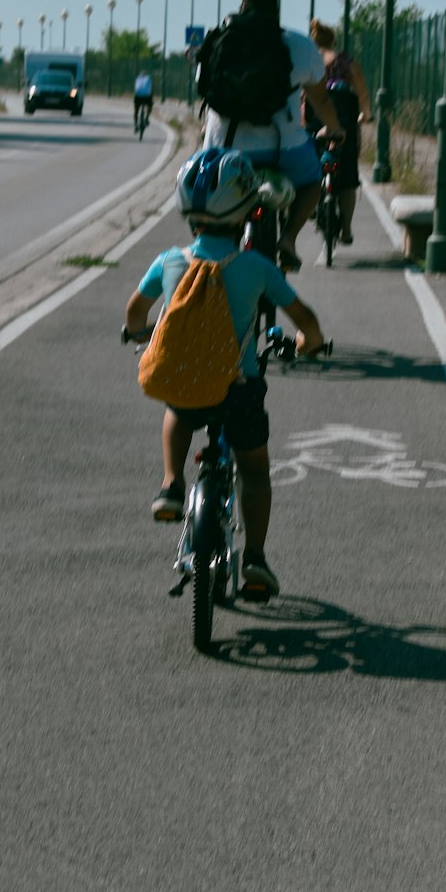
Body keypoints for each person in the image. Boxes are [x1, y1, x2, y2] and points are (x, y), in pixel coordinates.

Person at [124, 147, 325, 597]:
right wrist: (306, 343)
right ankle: (254, 558)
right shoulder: (256, 266)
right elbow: (305, 320)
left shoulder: (170, 262)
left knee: (178, 408)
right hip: (240, 388)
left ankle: (171, 484)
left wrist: (139, 333)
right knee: (253, 469)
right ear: (247, 212)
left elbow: (135, 313)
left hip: (189, 386)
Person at [200, 0, 344, 273]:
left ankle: (211, 253)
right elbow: (320, 100)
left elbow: (204, 89)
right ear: (276, 12)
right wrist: (336, 130)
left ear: (242, 9)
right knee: (312, 182)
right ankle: (288, 240)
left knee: (207, 195)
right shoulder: (299, 45)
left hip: (224, 146)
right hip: (283, 147)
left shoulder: (218, 40)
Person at [307, 19, 373, 244]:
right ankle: (345, 229)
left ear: (313, 41)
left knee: (311, 167)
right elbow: (362, 92)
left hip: (316, 123)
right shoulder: (347, 61)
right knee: (347, 178)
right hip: (345, 125)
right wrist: (364, 114)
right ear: (333, 41)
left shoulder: (310, 61)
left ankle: (312, 206)